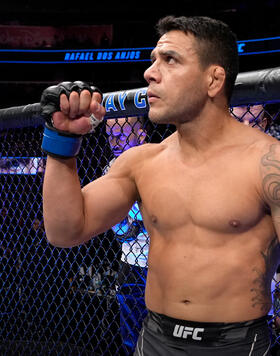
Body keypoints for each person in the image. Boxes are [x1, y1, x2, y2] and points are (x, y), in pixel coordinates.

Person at [40, 15, 280, 355]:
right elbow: (64, 232)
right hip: (154, 338)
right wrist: (62, 142)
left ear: (214, 80)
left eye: (170, 60)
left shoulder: (269, 162)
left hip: (238, 345)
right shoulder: (142, 162)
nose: (150, 73)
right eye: (153, 60)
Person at [104, 116, 149, 355]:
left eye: (121, 134)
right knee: (131, 334)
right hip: (131, 262)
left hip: (165, 263)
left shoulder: (158, 163)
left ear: (140, 136)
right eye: (110, 135)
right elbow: (123, 232)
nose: (115, 140)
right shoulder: (110, 169)